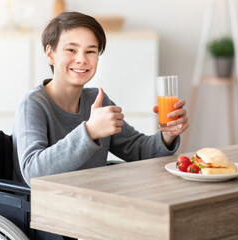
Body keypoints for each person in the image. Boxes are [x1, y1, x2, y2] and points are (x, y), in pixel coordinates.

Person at [12, 11, 189, 187]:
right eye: (71, 50)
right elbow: (32, 172)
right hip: (51, 209)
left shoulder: (98, 101)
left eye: (90, 51)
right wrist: (90, 132)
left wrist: (167, 135)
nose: (81, 59)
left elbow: (141, 151)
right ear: (50, 54)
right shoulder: (34, 104)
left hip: (94, 203)